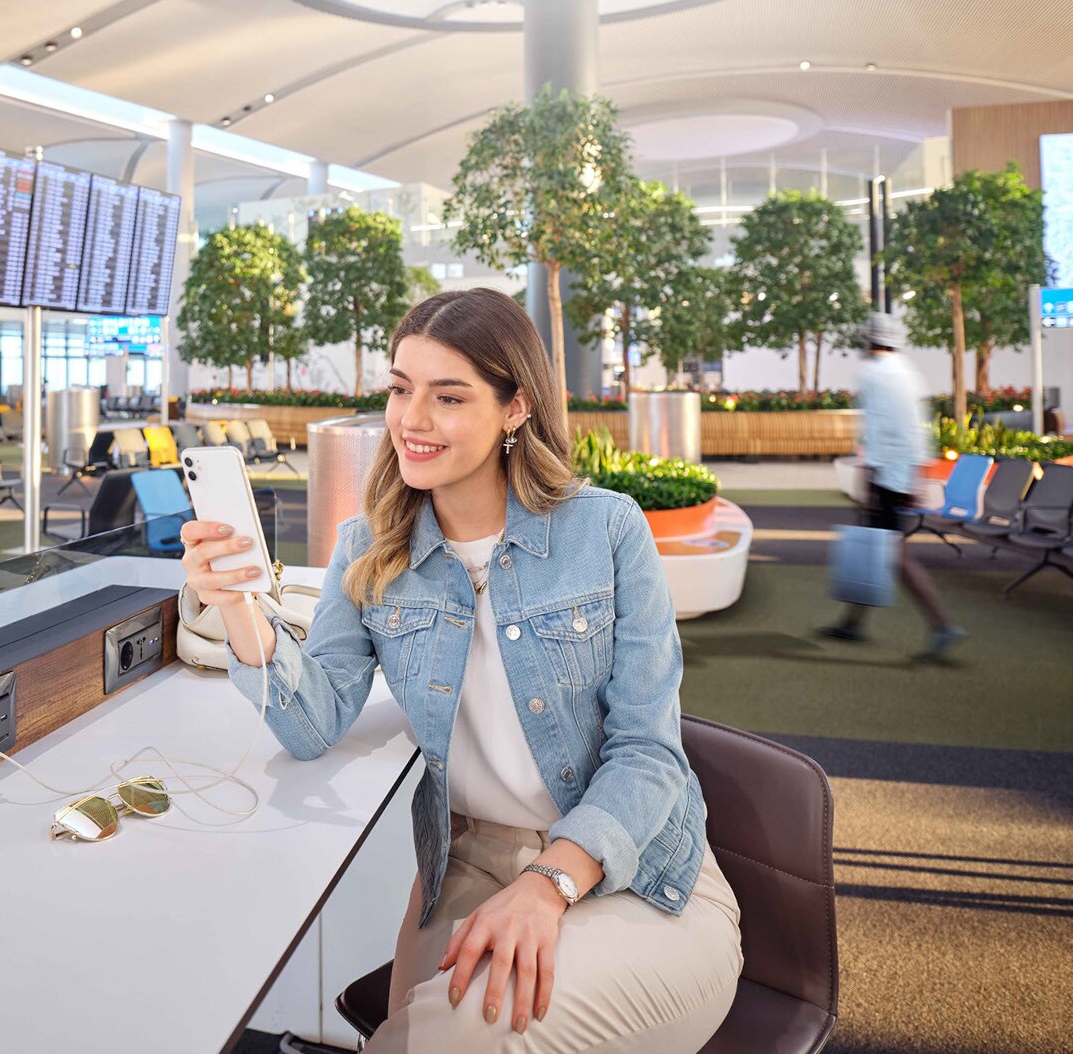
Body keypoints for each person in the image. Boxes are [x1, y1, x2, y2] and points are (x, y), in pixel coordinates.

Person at [180, 288, 741, 1052]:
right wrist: (240, 605)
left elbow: (648, 753)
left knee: (474, 1033)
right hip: (468, 864)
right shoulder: (370, 546)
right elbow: (312, 722)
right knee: (418, 1037)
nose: (411, 419)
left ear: (515, 408)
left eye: (448, 396)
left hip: (635, 875)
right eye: (401, 388)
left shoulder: (606, 530)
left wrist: (549, 884)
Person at [821, 312, 966, 660]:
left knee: (896, 556)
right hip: (902, 476)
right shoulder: (906, 372)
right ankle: (853, 622)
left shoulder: (872, 373)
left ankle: (943, 626)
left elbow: (875, 432)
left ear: (869, 339)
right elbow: (917, 428)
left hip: (885, 477)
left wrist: (868, 486)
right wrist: (915, 476)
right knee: (876, 548)